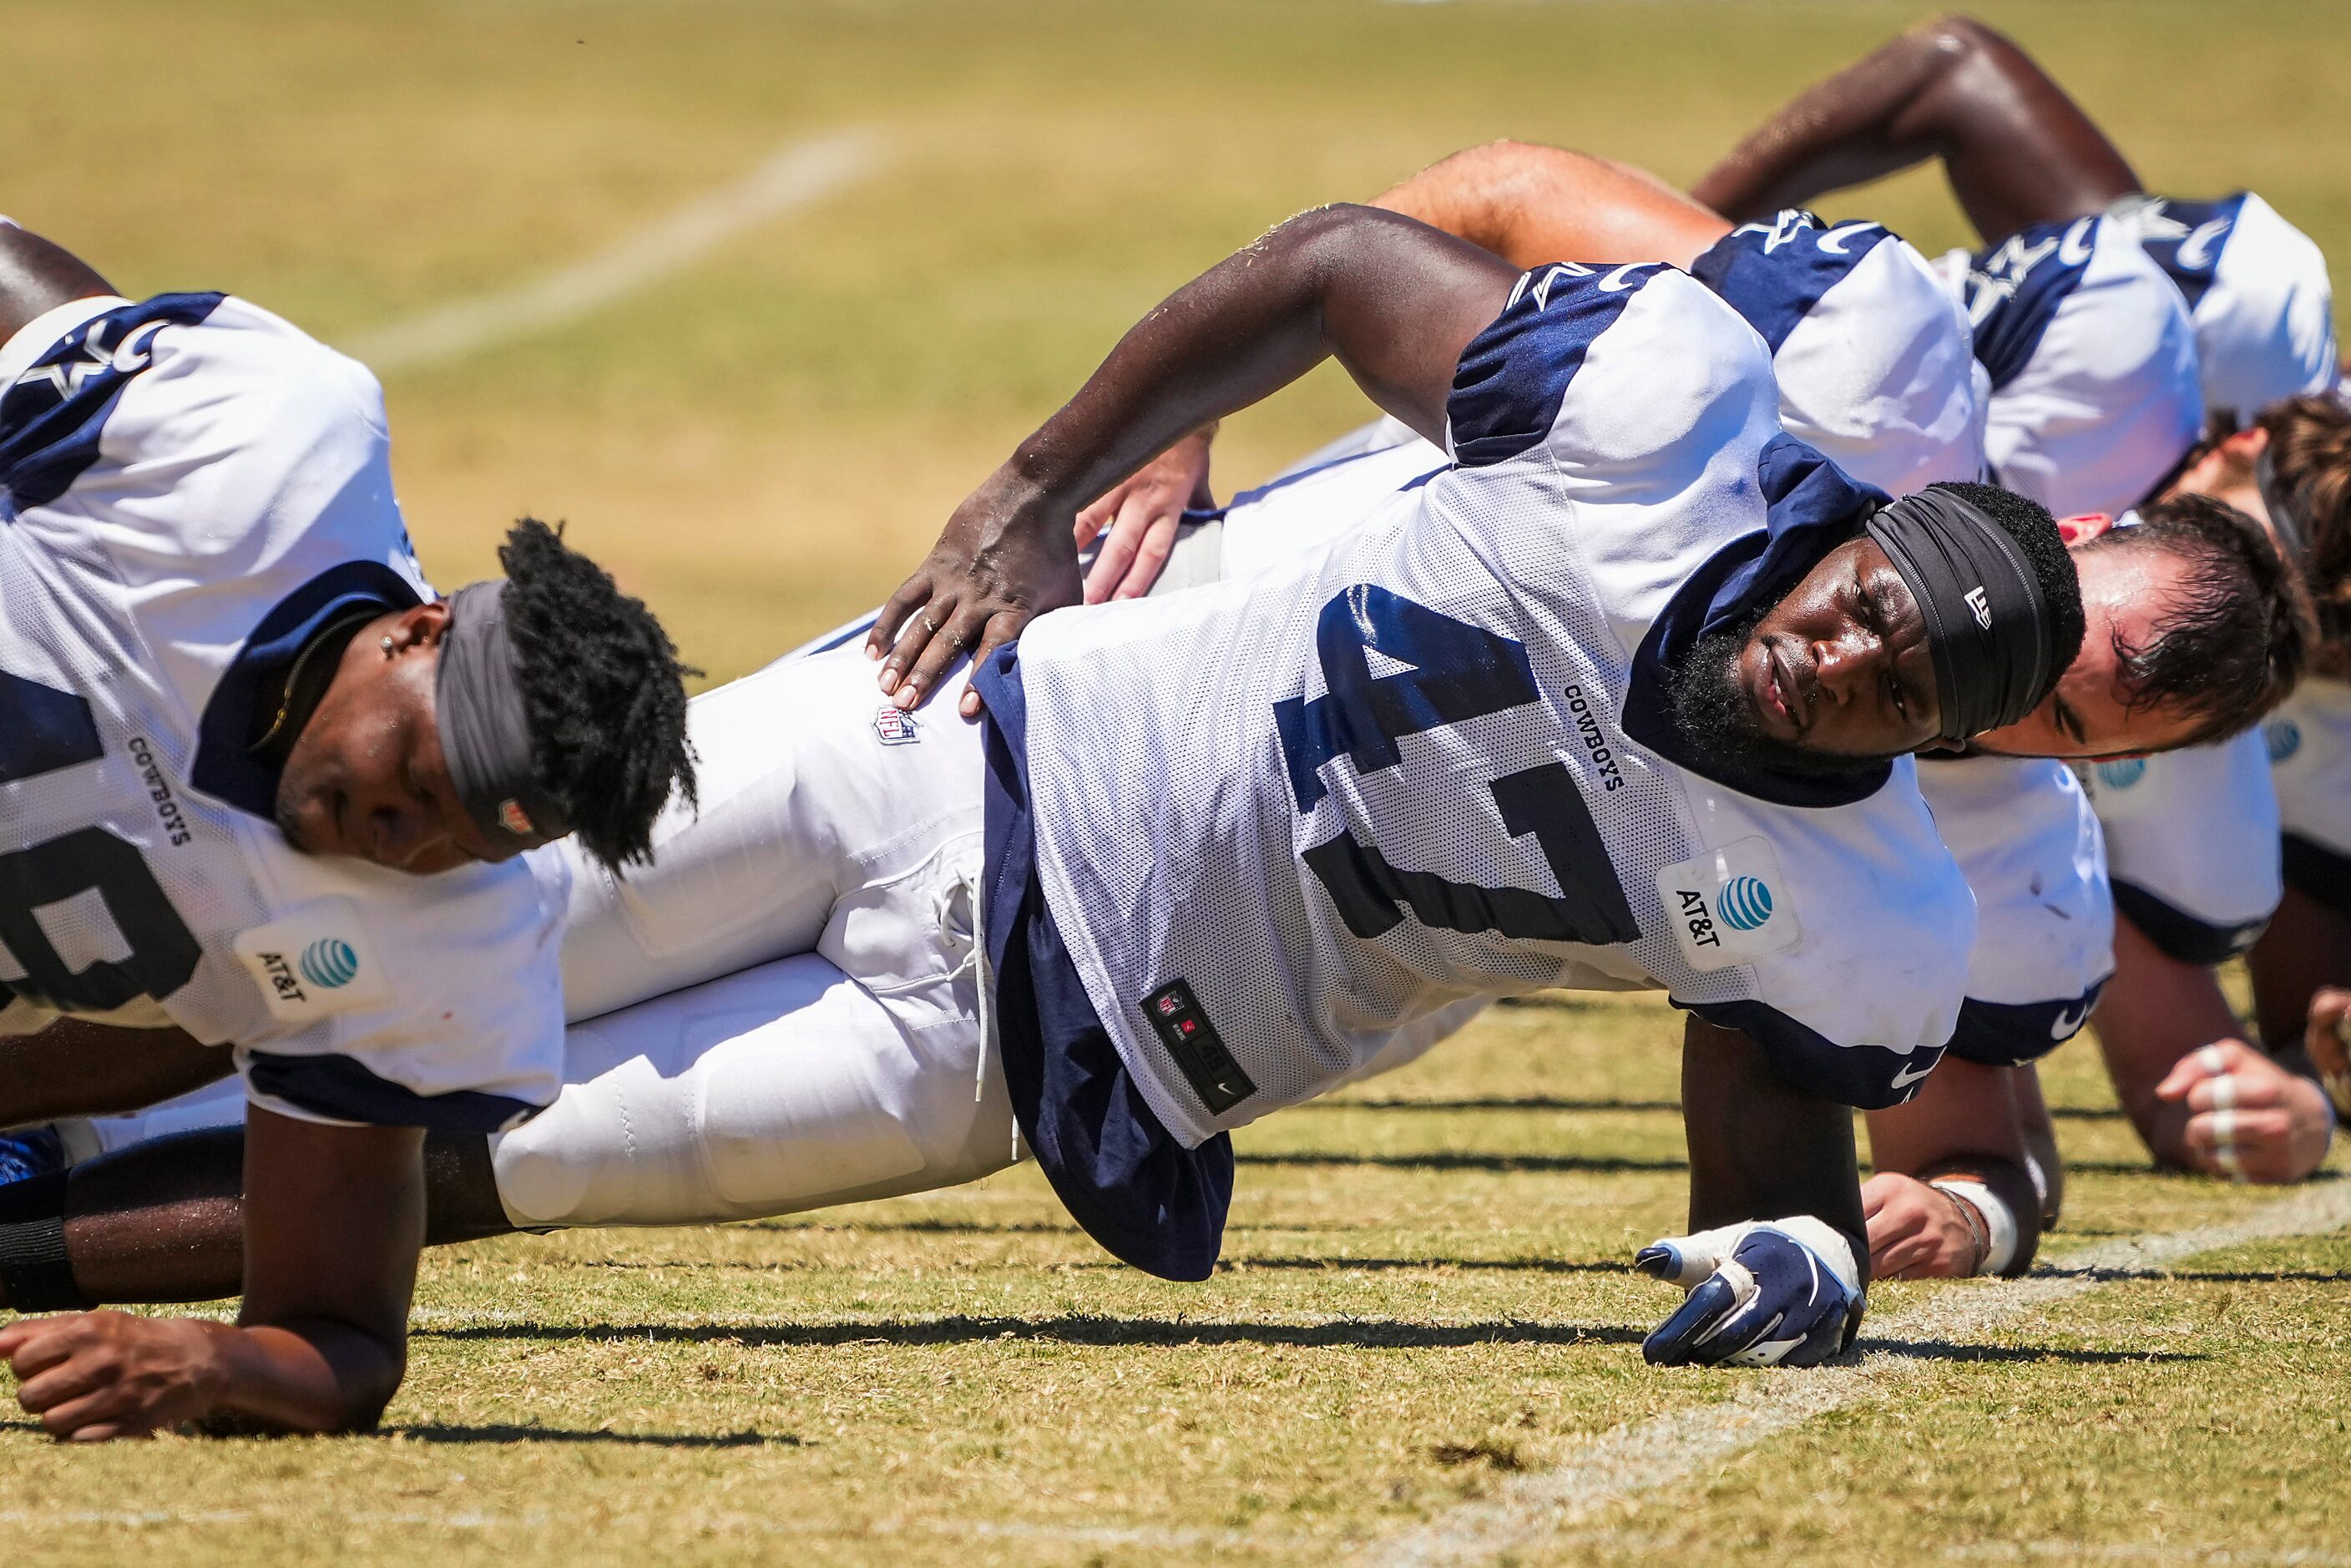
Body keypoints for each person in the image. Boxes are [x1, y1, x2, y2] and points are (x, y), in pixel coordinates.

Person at [0, 203, 2099, 1388]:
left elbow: (1769, 1136)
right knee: (403, 957)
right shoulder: (1667, 419)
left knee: (476, 1157)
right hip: (954, 722)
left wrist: (1801, 1264)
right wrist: (1038, 488)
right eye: (1859, 609)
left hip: (1038, 1033)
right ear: (1853, 536)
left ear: (1924, 751)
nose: (1837, 660)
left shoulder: (1866, 906)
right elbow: (1348, 259)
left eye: (1888, 690)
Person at [0, 216, 695, 1438]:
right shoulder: (264, 448)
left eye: (461, 837)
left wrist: (214, 1365)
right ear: (417, 631)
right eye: (417, 776)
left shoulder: (445, 951)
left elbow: (345, 1334)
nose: (400, 838)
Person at [1691, 13, 2344, 1232]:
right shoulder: (2116, 357)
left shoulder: (2186, 758)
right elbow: (1954, 69)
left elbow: (2196, 1056)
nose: (2019, 656)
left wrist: (2297, 1102)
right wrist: (1680, 277)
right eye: (2203, 525)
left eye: (2065, 709)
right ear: (2235, 436)